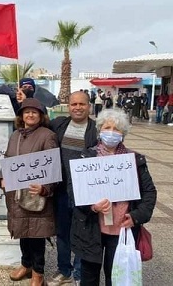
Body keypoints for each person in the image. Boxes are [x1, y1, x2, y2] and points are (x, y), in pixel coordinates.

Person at [70, 109, 157, 286]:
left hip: (122, 229)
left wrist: (136, 216)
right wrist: (92, 207)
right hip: (91, 228)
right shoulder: (86, 156)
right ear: (100, 130)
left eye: (116, 129)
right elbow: (74, 191)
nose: (111, 132)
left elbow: (149, 192)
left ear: (123, 134)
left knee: (116, 276)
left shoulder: (134, 159)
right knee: (89, 276)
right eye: (107, 127)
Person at [0, 98, 57, 286]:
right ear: (21, 115)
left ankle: (38, 272)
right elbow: (7, 159)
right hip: (15, 194)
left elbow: (53, 167)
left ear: (41, 115)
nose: (30, 115)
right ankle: (26, 264)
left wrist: (45, 188)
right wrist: (1, 178)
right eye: (26, 112)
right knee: (22, 232)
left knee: (36, 235)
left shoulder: (47, 136)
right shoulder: (15, 135)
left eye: (34, 112)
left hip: (35, 194)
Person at [48, 91, 98, 286]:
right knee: (62, 232)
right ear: (68, 106)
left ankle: (79, 273)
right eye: (74, 104)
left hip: (84, 192)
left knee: (82, 233)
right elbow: (33, 120)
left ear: (89, 106)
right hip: (61, 190)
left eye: (82, 104)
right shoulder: (59, 124)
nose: (77, 107)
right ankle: (64, 270)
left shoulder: (97, 129)